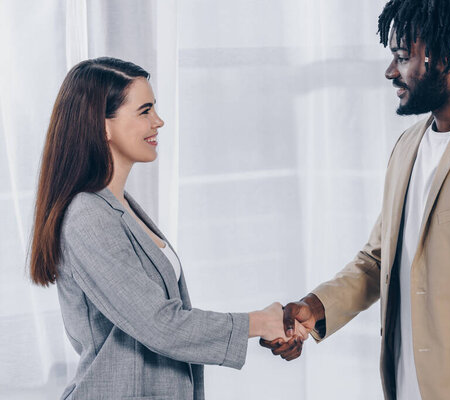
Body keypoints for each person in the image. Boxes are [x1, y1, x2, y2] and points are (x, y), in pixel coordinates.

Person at [260, 0, 450, 399]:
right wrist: (316, 307)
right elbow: (379, 260)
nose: (391, 71)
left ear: (449, 56)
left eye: (402, 57)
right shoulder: (408, 146)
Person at [29, 57, 306, 399]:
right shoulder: (89, 216)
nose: (158, 121)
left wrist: (268, 323)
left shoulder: (122, 207)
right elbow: (160, 324)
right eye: (144, 111)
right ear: (103, 126)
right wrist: (258, 322)